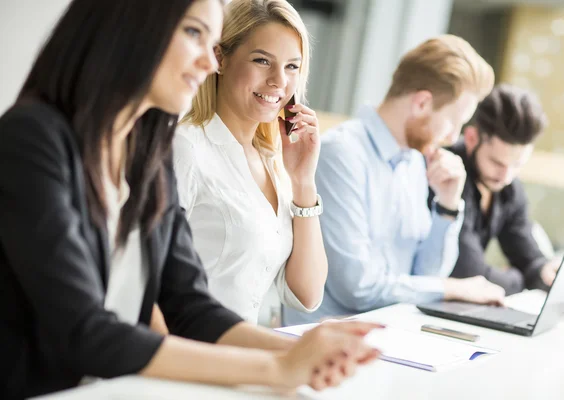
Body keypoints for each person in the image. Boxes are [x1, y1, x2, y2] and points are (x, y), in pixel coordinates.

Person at [0, 0, 382, 398]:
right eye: (194, 33)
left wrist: (306, 353)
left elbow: (189, 304)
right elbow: (84, 330)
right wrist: (276, 367)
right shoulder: (32, 138)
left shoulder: (148, 150)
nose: (208, 61)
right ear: (130, 28)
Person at [284, 34, 506, 326]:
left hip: (392, 339)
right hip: (329, 349)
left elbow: (428, 277)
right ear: (422, 104)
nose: (454, 137)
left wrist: (448, 206)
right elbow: (357, 288)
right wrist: (453, 288)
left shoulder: (413, 160)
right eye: (455, 122)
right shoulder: (342, 154)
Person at [173, 0, 327, 324]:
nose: (279, 82)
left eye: (292, 67)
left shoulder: (275, 164)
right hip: (190, 351)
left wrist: (303, 182)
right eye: (262, 61)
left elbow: (307, 295)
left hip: (241, 356)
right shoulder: (185, 147)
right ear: (220, 58)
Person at [443, 84, 564, 297]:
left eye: (517, 165)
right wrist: (519, 279)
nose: (506, 176)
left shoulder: (509, 188)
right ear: (472, 139)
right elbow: (468, 273)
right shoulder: (446, 173)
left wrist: (547, 272)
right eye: (497, 163)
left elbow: (529, 258)